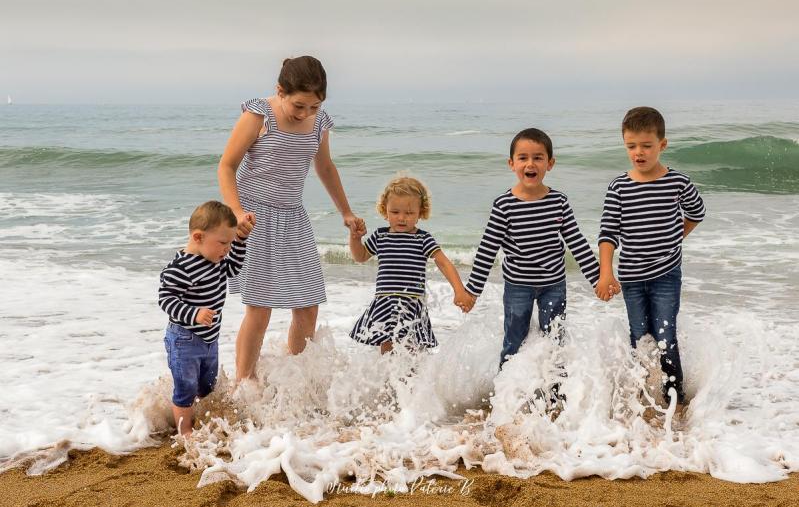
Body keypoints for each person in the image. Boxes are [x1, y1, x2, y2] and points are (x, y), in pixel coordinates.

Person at [217, 56, 363, 380]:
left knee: (308, 305)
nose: (305, 114)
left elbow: (325, 167)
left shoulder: (319, 122)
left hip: (294, 218)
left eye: (313, 107)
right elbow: (226, 166)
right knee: (260, 308)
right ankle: (246, 383)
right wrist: (237, 212)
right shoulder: (259, 114)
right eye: (299, 106)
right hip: (254, 218)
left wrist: (346, 211)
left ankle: (297, 378)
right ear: (279, 91)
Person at [595, 106, 706, 410]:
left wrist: (675, 238)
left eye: (646, 145)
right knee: (640, 339)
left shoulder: (678, 182)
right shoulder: (619, 187)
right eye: (631, 146)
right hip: (631, 277)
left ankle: (675, 400)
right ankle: (645, 398)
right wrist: (606, 274)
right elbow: (608, 234)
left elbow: (697, 213)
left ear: (662, 144)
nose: (638, 152)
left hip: (666, 275)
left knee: (665, 335)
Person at [462, 128, 600, 369]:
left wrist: (598, 278)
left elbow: (576, 242)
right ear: (511, 163)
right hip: (518, 285)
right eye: (523, 158)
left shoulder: (559, 202)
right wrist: (472, 291)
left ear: (550, 163)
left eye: (538, 157)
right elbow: (487, 249)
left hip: (553, 283)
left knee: (554, 338)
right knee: (514, 338)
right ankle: (507, 389)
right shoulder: (504, 205)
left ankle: (555, 392)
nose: (530, 163)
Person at [158, 201, 252, 434]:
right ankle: (185, 432)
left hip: (210, 339)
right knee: (186, 388)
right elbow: (166, 299)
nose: (226, 249)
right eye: (223, 243)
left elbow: (234, 268)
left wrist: (240, 240)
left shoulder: (217, 261)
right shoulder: (180, 268)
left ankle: (204, 421)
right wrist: (194, 313)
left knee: (208, 386)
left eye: (229, 243)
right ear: (198, 237)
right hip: (185, 339)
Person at [348, 176, 470, 353]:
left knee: (412, 351)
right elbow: (360, 256)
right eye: (395, 212)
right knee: (387, 349)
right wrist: (355, 238)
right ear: (385, 210)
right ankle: (388, 381)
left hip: (411, 305)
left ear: (421, 212)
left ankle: (413, 380)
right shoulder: (380, 236)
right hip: (385, 303)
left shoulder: (422, 239)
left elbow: (443, 263)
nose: (402, 218)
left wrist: (459, 290)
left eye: (409, 213)